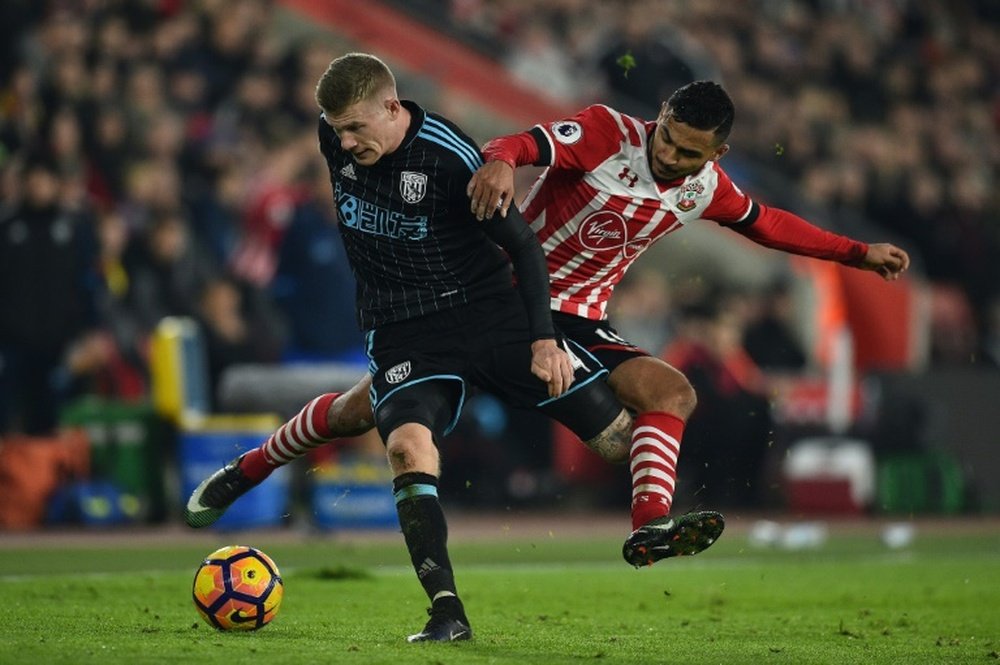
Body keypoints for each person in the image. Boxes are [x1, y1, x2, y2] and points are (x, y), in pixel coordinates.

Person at [187, 53, 667, 643]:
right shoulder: (332, 136)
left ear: (393, 107)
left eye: (356, 128)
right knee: (407, 448)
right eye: (336, 129)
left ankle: (658, 517)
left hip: (490, 316)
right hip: (402, 326)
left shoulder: (451, 159)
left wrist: (545, 338)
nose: (345, 141)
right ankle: (447, 611)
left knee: (619, 441)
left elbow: (523, 249)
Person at [465, 79, 908, 545]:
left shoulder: (705, 188)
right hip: (508, 296)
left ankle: (650, 529)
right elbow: (514, 143)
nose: (671, 157)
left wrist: (856, 253)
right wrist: (500, 162)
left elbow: (769, 224)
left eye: (689, 154)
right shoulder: (607, 132)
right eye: (668, 139)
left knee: (672, 393)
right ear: (662, 112)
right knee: (407, 398)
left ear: (718, 154)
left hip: (582, 320)